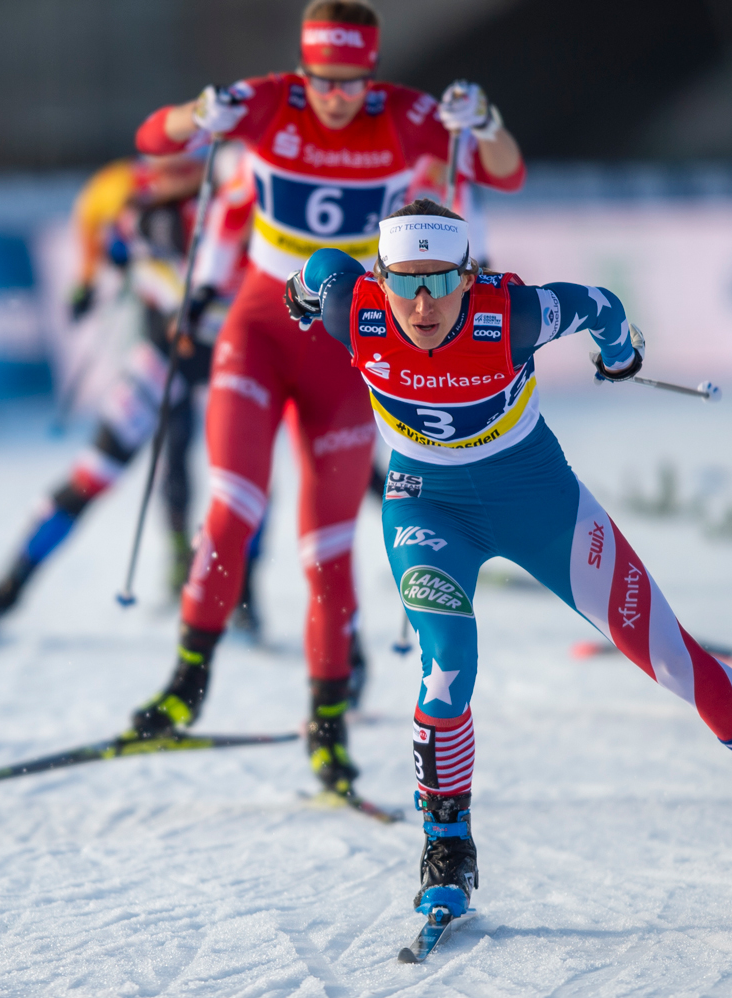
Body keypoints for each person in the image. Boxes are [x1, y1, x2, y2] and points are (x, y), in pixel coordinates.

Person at [284, 199, 732, 919]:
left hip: (538, 501)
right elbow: (317, 272)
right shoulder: (350, 305)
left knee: (670, 657)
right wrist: (298, 295)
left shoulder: (515, 316)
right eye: (405, 281)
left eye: (440, 280)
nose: (423, 303)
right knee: (448, 663)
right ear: (379, 278)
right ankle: (448, 844)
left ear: (469, 275)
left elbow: (602, 305)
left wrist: (622, 354)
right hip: (428, 509)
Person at [126, 0, 525, 799]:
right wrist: (199, 114)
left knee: (328, 547)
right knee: (232, 509)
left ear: (371, 73)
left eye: (352, 82)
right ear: (303, 69)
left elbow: (505, 171)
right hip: (259, 327)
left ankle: (328, 726)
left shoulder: (404, 116)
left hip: (350, 345)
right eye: (323, 80)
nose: (337, 97)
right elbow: (153, 137)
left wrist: (485, 123)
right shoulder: (271, 100)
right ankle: (185, 684)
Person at [0, 152, 251, 641]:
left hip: (234, 362)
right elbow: (101, 231)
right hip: (164, 362)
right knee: (93, 473)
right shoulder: (134, 203)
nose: (167, 176)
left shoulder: (234, 198)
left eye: (185, 165)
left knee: (245, 484)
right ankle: (4, 592)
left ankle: (244, 602)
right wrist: (95, 277)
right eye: (160, 166)